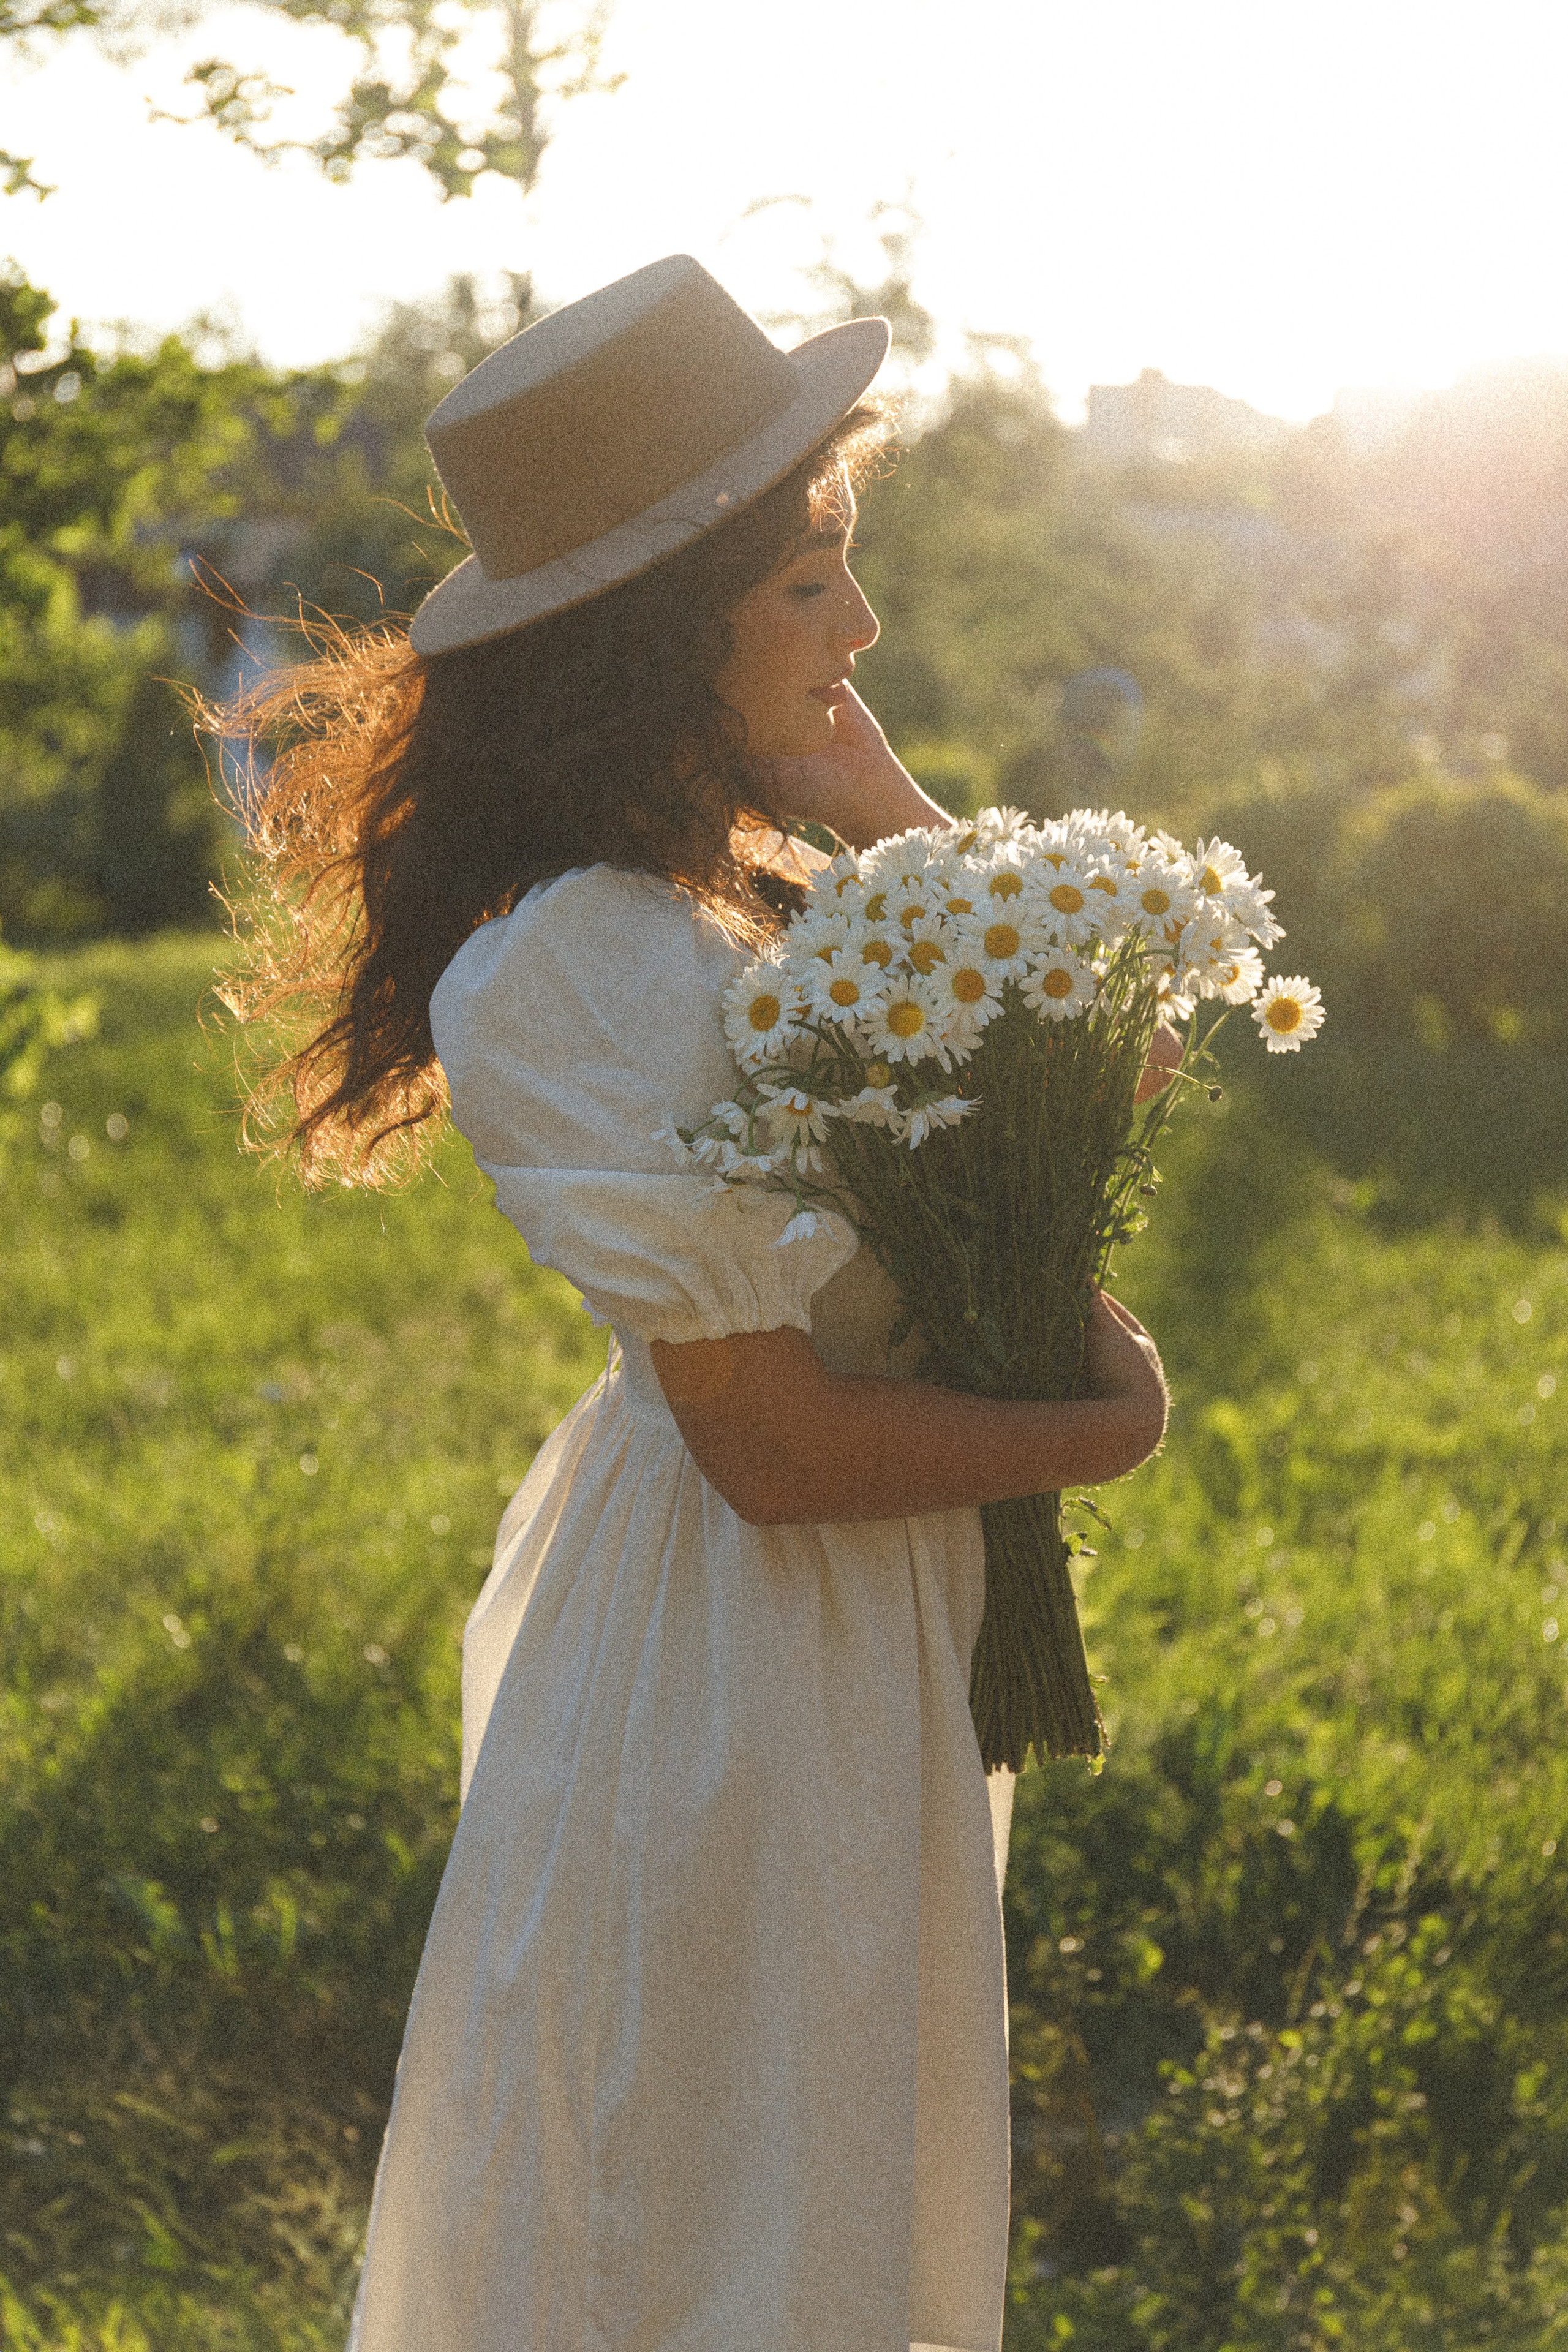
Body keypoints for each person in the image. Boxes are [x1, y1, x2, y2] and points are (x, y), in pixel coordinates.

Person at [219, 253, 1169, 2352]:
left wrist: (889, 819)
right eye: (816, 575)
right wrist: (1098, 1433)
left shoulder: (754, 904)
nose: (866, 624)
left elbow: (1127, 1061)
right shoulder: (579, 961)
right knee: (710, 2213)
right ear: (672, 630)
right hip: (740, 1664)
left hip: (860, 1644)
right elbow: (764, 1445)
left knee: (820, 2184)